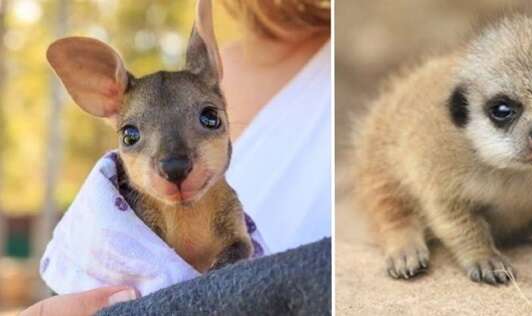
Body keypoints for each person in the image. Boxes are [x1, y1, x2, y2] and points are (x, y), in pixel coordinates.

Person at [21, 0, 331, 314]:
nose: (173, 163)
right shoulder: (113, 216)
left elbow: (238, 249)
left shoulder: (224, 204)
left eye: (208, 119)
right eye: (132, 137)